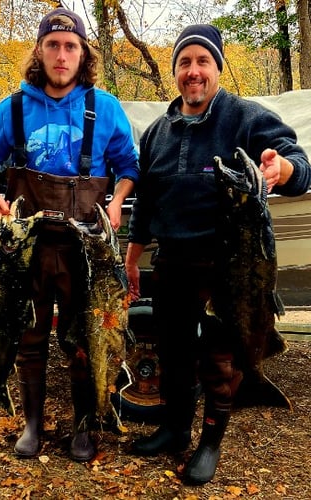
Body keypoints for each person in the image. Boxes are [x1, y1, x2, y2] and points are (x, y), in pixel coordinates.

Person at [125, 24, 311, 485]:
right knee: (173, 350)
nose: (193, 72)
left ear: (217, 68)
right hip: (170, 260)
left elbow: (301, 168)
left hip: (229, 262)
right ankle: (173, 429)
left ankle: (210, 440)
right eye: (184, 62)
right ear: (175, 72)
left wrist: (282, 168)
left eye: (202, 61)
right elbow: (145, 203)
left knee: (218, 357)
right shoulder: (156, 134)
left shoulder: (246, 118)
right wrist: (132, 254)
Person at [0, 7, 139, 462]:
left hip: (86, 249)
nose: (61, 55)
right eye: (53, 45)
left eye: (70, 46)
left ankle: (84, 427)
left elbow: (129, 167)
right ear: (40, 51)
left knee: (85, 337)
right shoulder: (14, 108)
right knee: (31, 334)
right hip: (28, 249)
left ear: (82, 53)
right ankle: (31, 424)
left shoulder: (103, 108)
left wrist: (118, 200)